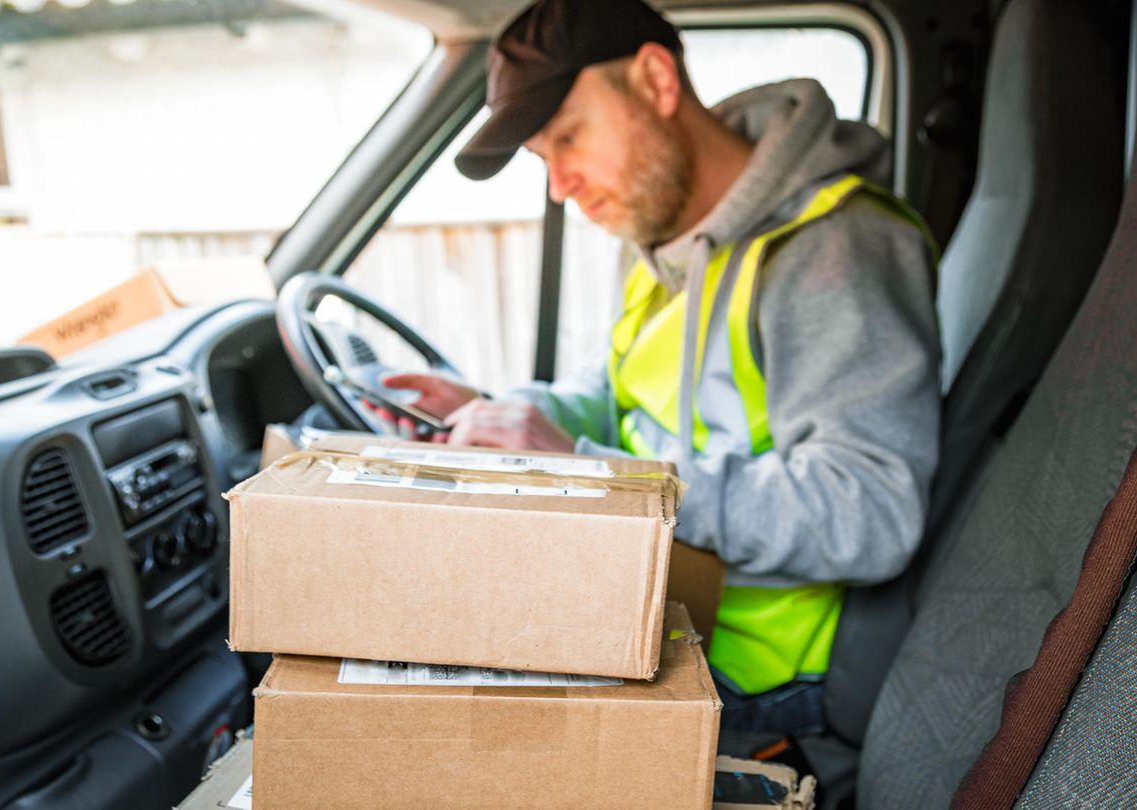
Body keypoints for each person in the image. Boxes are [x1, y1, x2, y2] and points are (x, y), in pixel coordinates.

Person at [379, 0, 940, 745]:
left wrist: (600, 476)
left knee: (420, 723)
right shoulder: (663, 244)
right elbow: (611, 397)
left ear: (654, 80)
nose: (560, 186)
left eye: (569, 138)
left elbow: (870, 510)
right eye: (545, 160)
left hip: (746, 676)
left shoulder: (832, 251)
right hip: (643, 607)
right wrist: (493, 409)